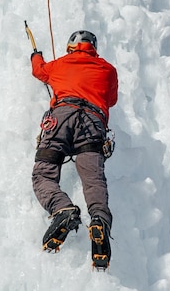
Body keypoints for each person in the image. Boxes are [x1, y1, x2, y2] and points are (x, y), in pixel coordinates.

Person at [30, 30, 118, 270]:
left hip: (61, 118)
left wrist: (35, 56)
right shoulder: (108, 69)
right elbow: (111, 100)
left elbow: (39, 71)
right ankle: (99, 219)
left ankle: (62, 209)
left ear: (71, 47)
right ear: (94, 47)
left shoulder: (61, 63)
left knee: (43, 174)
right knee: (93, 179)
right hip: (92, 122)